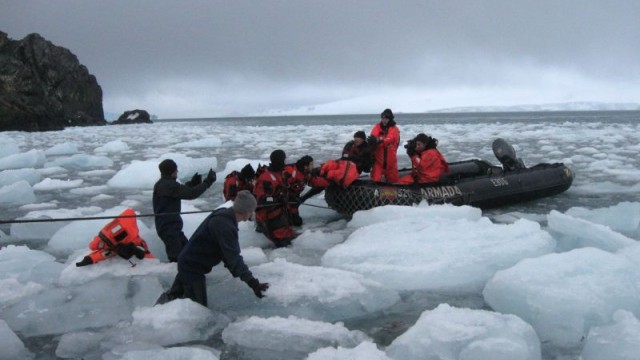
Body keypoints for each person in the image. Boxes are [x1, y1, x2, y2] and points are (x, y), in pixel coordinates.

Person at [155, 190, 269, 307]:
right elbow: (234, 258)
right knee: (199, 309)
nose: (253, 214)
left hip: (188, 263)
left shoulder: (225, 216)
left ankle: (155, 312)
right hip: (192, 268)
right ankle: (154, 316)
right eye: (252, 211)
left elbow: (227, 254)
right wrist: (253, 283)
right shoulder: (225, 225)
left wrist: (238, 271)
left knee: (173, 296)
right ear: (246, 211)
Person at [153, 159, 216, 262]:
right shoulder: (169, 185)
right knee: (178, 259)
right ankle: (178, 276)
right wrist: (207, 182)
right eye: (176, 169)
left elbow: (180, 191)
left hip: (171, 228)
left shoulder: (163, 183)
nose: (177, 171)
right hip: (169, 229)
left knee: (188, 254)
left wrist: (192, 184)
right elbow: (191, 194)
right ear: (172, 171)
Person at [253, 149, 295, 247]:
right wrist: (276, 199)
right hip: (268, 216)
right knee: (284, 243)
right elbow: (262, 199)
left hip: (280, 215)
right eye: (283, 160)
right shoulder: (265, 178)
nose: (284, 163)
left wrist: (291, 197)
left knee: (291, 238)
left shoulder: (281, 174)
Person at [283, 155, 330, 226]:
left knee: (297, 222)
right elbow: (281, 187)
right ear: (305, 166)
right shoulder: (291, 172)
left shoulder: (305, 174)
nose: (313, 166)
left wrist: (329, 182)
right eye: (311, 164)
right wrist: (291, 197)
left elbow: (315, 181)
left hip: (293, 201)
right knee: (286, 223)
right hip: (283, 201)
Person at [368, 108, 400, 183]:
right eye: (383, 118)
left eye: (386, 118)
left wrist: (379, 140)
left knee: (394, 184)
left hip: (391, 164)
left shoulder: (394, 129)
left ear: (390, 119)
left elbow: (391, 138)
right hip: (378, 162)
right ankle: (376, 194)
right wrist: (374, 141)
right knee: (375, 182)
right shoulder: (377, 127)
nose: (384, 120)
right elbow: (373, 136)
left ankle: (391, 194)